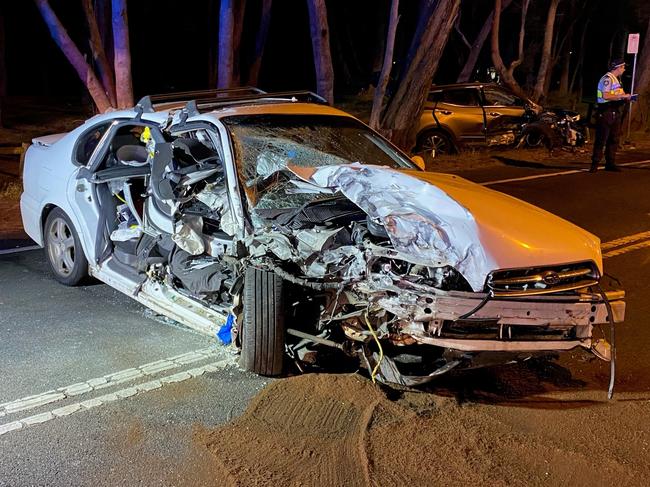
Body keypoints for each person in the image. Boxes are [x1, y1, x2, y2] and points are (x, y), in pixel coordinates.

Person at [590, 59, 634, 172]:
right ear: (618, 68)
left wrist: (627, 97)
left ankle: (610, 163)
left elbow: (618, 95)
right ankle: (595, 164)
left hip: (615, 111)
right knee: (601, 139)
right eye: (623, 67)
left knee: (614, 139)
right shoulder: (607, 79)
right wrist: (623, 97)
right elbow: (605, 95)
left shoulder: (617, 80)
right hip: (606, 111)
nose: (624, 69)